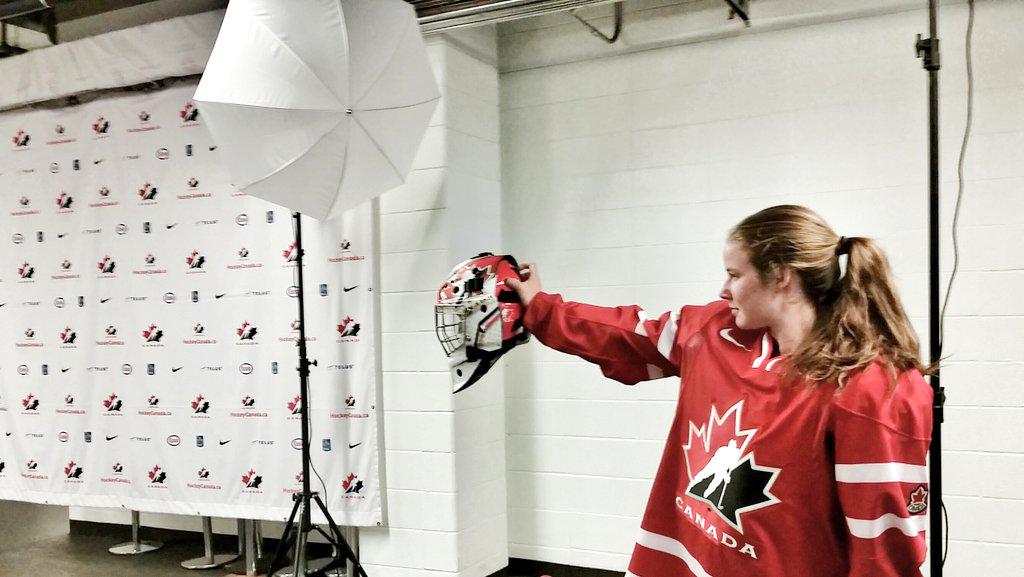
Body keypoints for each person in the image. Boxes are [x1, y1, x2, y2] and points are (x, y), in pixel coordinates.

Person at [504, 205, 934, 577]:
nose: (722, 290)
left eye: (734, 274)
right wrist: (541, 308)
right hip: (691, 561)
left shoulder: (870, 389)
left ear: (781, 277)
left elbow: (884, 548)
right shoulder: (714, 332)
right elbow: (625, 336)